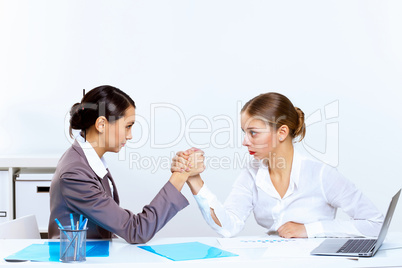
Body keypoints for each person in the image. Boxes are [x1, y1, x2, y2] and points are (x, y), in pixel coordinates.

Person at [172, 92, 384, 238]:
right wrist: (195, 180)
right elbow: (229, 227)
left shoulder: (321, 175)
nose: (245, 141)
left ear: (282, 132)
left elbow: (376, 224)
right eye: (244, 132)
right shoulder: (252, 174)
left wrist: (309, 230)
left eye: (253, 132)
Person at [48, 85, 203, 244]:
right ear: (101, 124)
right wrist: (181, 175)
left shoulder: (86, 161)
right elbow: (136, 230)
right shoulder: (75, 173)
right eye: (128, 126)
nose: (130, 136)